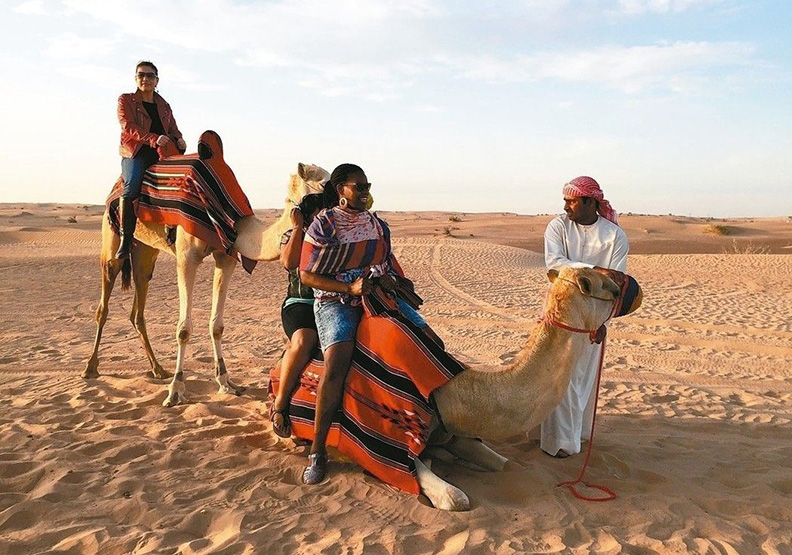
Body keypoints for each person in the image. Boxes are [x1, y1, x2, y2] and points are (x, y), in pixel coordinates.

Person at [298, 163, 434, 485]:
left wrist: (395, 281)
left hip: (377, 296)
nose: (365, 192)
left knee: (426, 339)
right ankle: (318, 451)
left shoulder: (377, 226)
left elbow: (386, 262)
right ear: (340, 189)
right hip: (336, 302)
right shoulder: (323, 226)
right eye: (358, 186)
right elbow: (306, 274)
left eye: (367, 185)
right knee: (337, 362)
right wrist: (349, 288)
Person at [540, 176, 629, 458]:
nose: (566, 206)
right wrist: (595, 270)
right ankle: (559, 444)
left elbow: (615, 284)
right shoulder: (558, 227)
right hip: (560, 311)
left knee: (583, 378)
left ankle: (577, 434)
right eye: (565, 200)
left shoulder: (615, 236)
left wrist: (602, 323)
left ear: (590, 202)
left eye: (572, 201)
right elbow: (555, 265)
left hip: (593, 316)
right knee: (557, 375)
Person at [269, 192, 327, 438]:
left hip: (332, 303)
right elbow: (289, 262)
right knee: (304, 340)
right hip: (300, 303)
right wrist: (298, 228)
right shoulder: (293, 236)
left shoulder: (334, 236)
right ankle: (280, 404)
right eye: (318, 214)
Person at [116, 60, 186, 259]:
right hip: (136, 150)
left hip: (162, 151)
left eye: (149, 75)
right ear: (136, 78)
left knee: (181, 183)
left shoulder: (164, 105)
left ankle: (172, 227)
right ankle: (126, 238)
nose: (145, 79)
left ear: (157, 80)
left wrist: (179, 138)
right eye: (141, 75)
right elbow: (128, 126)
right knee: (131, 187)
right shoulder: (126, 100)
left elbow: (172, 127)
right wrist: (153, 138)